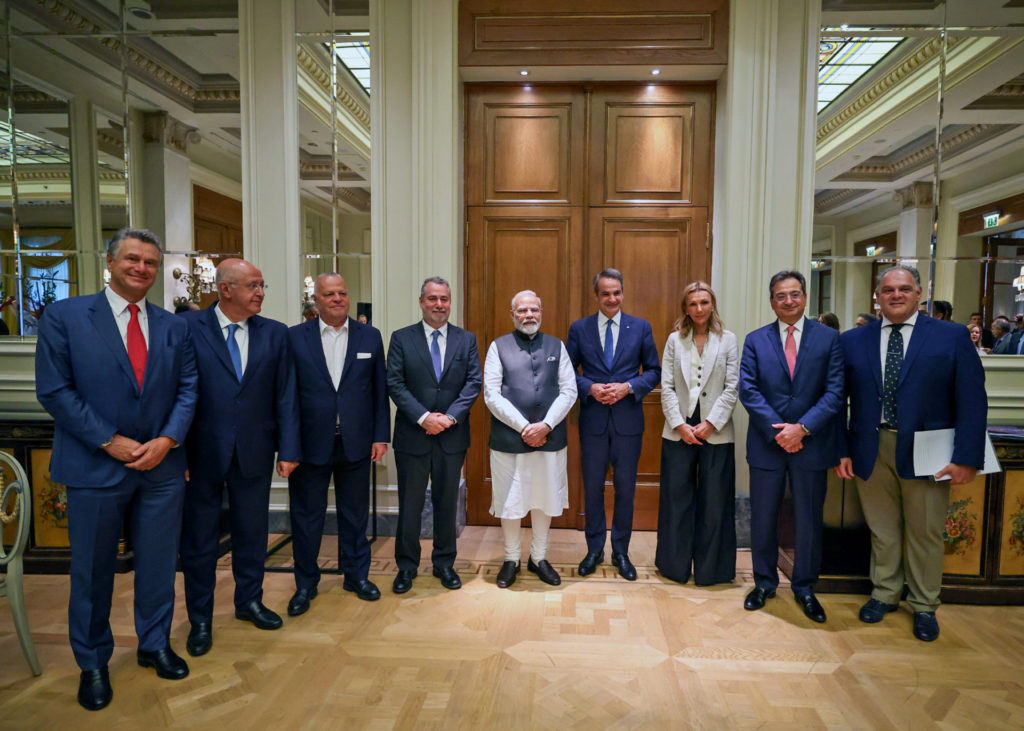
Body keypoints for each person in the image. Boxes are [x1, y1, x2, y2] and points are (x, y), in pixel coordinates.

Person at [35, 227, 198, 711]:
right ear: (110, 263)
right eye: (132, 259)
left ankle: (155, 644)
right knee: (92, 571)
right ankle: (92, 663)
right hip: (94, 466)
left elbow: (188, 389)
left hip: (161, 468)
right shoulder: (65, 317)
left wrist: (167, 440)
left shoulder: (174, 327)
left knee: (159, 565)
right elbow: (55, 390)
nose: (141, 268)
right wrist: (109, 440)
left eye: (150, 262)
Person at [835, 264, 987, 642]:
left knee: (925, 531)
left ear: (919, 294)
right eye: (888, 289)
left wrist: (967, 457)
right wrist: (841, 449)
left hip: (929, 449)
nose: (896, 295)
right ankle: (884, 594)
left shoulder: (950, 336)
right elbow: (839, 401)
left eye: (904, 288)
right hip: (871, 447)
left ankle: (923, 604)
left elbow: (972, 399)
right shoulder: (853, 340)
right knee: (882, 529)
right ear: (877, 296)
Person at [178, 259, 301, 656]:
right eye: (253, 286)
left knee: (252, 532)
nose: (260, 293)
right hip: (200, 453)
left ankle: (249, 601)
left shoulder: (275, 333)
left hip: (255, 450)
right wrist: (176, 451)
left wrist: (289, 449)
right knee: (200, 540)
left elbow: (286, 394)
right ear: (225, 289)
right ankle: (200, 618)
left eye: (262, 285)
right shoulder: (187, 327)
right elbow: (175, 390)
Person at [738, 270, 844, 623]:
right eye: (781, 295)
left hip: (812, 444)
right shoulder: (756, 340)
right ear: (772, 301)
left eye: (795, 294)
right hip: (767, 444)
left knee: (809, 519)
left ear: (805, 297)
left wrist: (802, 428)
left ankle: (805, 588)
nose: (788, 301)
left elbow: (835, 392)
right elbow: (749, 390)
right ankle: (764, 583)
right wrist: (780, 432)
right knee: (763, 517)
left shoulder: (829, 339)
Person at [287, 273, 390, 612]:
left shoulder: (370, 336)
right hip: (308, 444)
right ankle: (305, 584)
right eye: (329, 294)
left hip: (357, 442)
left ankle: (356, 575)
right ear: (315, 299)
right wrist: (288, 446)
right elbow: (287, 397)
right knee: (306, 519)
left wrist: (380, 436)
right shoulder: (294, 338)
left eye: (342, 293)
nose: (337, 299)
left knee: (355, 515)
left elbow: (379, 391)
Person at [387, 276, 482, 594]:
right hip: (413, 436)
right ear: (421, 302)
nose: (439, 305)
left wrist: (450, 418)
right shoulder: (401, 338)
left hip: (451, 437)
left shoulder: (466, 340)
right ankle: (406, 566)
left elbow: (473, 383)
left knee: (446, 503)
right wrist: (424, 417)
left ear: (450, 303)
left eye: (444, 299)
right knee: (410, 505)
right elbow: (395, 383)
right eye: (432, 299)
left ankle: (444, 564)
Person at [566, 269, 660, 580]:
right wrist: (590, 387)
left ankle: (621, 551)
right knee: (592, 488)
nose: (612, 298)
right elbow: (567, 372)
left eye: (616, 292)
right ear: (597, 295)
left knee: (625, 489)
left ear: (623, 293)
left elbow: (654, 371)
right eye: (605, 293)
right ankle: (594, 550)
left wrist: (629, 387)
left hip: (627, 423)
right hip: (592, 421)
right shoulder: (580, 329)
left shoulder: (640, 327)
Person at [483, 290, 577, 588]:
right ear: (512, 314)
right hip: (509, 441)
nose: (528, 315)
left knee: (544, 499)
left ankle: (538, 558)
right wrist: (526, 427)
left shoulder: (557, 346)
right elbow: (491, 395)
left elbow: (569, 390)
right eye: (522, 310)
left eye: (533, 309)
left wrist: (546, 425)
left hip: (550, 438)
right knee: (510, 501)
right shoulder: (498, 347)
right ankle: (511, 558)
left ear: (541, 312)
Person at [656, 282, 739, 585]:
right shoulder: (674, 340)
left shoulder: (728, 340)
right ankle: (674, 566)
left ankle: (712, 571)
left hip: (715, 430)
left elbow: (732, 387)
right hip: (679, 429)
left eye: (704, 302)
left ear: (712, 304)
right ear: (685, 308)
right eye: (693, 304)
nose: (699, 308)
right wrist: (679, 424)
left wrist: (711, 423)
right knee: (676, 499)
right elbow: (666, 387)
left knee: (715, 502)